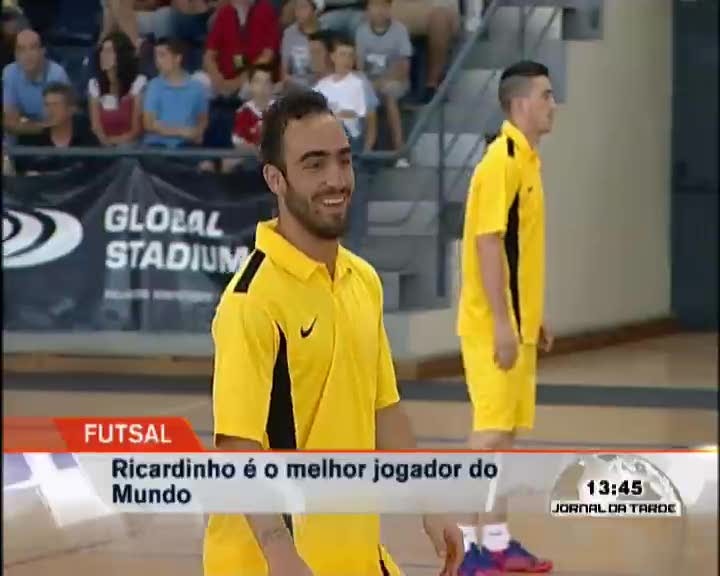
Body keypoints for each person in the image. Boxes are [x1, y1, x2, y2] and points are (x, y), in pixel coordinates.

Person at [204, 89, 464, 576]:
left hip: (355, 557)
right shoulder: (251, 302)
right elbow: (236, 448)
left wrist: (431, 503)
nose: (335, 179)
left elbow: (383, 407)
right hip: (271, 564)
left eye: (344, 161)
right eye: (314, 164)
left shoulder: (362, 280)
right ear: (275, 179)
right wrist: (279, 550)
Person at [456, 60, 556, 574]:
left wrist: (531, 318)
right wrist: (500, 321)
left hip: (517, 323)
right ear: (519, 104)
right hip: (489, 325)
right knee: (489, 435)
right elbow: (489, 242)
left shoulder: (528, 162)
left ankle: (496, 542)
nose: (551, 104)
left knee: (506, 438)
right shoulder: (501, 162)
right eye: (544, 95)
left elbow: (520, 250)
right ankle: (467, 549)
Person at [355, 0, 412, 165]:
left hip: (396, 80)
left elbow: (403, 67)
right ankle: (361, 150)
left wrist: (382, 82)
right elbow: (359, 67)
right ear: (368, 9)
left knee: (390, 96)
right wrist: (369, 84)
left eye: (383, 6)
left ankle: (399, 151)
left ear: (389, 9)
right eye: (374, 6)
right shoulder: (361, 31)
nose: (379, 11)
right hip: (369, 82)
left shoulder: (400, 30)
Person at [14, 83, 99, 174]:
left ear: (71, 110)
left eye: (55, 105)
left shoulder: (86, 137)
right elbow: (22, 174)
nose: (50, 111)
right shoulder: (30, 139)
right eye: (47, 105)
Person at [203, 0, 280, 98]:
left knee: (251, 88)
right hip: (222, 78)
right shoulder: (224, 12)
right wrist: (215, 76)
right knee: (199, 83)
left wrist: (238, 81)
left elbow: (268, 56)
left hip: (252, 76)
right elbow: (209, 55)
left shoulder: (266, 10)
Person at [2, 28, 70, 137]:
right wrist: (38, 126)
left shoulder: (57, 74)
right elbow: (10, 122)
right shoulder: (9, 73)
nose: (27, 55)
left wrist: (24, 124)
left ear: (43, 51)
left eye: (32, 48)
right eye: (21, 50)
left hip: (52, 138)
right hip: (20, 138)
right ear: (15, 54)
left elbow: (58, 121)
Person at [143, 37, 209, 148]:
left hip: (186, 146)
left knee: (205, 162)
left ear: (177, 58)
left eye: (162, 55)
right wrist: (182, 131)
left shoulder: (197, 87)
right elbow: (148, 123)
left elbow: (202, 120)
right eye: (156, 56)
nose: (157, 61)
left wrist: (197, 132)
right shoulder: (154, 85)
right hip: (157, 146)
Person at [89, 31, 147, 146]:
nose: (103, 55)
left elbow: (136, 130)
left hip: (131, 145)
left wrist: (114, 143)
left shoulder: (138, 82)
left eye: (109, 51)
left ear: (121, 55)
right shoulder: (94, 84)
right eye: (102, 51)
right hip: (104, 147)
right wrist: (106, 144)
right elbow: (96, 127)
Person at [313, 35, 365, 151]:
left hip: (348, 135)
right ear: (333, 57)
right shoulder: (321, 85)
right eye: (342, 55)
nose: (346, 60)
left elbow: (357, 112)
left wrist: (332, 115)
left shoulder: (358, 83)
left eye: (350, 56)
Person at [223, 63, 273, 171]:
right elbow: (239, 142)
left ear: (272, 86)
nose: (262, 88)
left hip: (276, 159)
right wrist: (255, 151)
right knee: (228, 163)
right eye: (258, 82)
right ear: (250, 85)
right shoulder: (243, 112)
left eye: (267, 82)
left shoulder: (281, 110)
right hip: (251, 159)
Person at [279, 0, 322, 91]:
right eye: (297, 8)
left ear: (314, 10)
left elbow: (324, 74)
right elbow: (284, 70)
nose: (298, 12)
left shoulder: (324, 33)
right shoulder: (289, 33)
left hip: (316, 87)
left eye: (303, 7)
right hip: (292, 85)